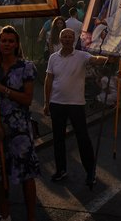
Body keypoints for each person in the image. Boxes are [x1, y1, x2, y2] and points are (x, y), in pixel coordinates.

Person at [0, 26, 40, 221]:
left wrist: (3, 89)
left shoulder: (26, 67)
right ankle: (5, 215)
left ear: (16, 44)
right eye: (3, 40)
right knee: (0, 172)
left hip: (20, 127)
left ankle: (31, 216)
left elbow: (27, 99)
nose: (6, 44)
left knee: (26, 173)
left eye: (11, 41)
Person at [43, 28, 109, 186]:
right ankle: (61, 170)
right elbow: (48, 80)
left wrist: (107, 58)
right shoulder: (53, 58)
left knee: (83, 139)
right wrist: (46, 102)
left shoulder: (81, 55)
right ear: (60, 39)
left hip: (76, 105)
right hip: (56, 103)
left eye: (69, 37)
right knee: (58, 139)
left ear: (74, 39)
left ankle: (90, 172)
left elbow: (96, 59)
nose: (66, 39)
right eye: (64, 36)